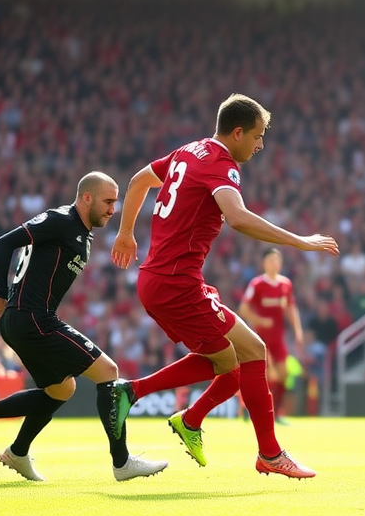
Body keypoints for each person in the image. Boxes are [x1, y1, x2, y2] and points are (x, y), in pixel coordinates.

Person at [109, 93, 339, 478]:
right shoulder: (220, 162)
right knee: (253, 350)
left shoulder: (187, 152)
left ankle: (184, 416)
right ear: (237, 133)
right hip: (176, 283)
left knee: (232, 364)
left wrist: (125, 234)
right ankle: (268, 453)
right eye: (257, 136)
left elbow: (137, 181)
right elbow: (237, 217)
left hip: (158, 278)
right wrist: (301, 241)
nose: (260, 144)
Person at [0, 172, 168, 482]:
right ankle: (122, 462)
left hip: (25, 320)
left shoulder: (81, 233)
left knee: (61, 389)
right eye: (107, 201)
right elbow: (4, 242)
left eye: (115, 202)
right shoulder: (61, 219)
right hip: (32, 318)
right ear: (86, 197)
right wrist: (0, 292)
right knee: (108, 371)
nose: (112, 209)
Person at [238, 248, 303, 424]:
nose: (275, 263)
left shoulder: (285, 284)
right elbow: (243, 309)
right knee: (269, 376)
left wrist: (298, 330)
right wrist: (260, 320)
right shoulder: (257, 284)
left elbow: (291, 308)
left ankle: (276, 413)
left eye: (277, 260)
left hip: (278, 338)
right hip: (261, 339)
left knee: (284, 374)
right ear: (264, 263)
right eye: (272, 260)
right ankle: (251, 408)